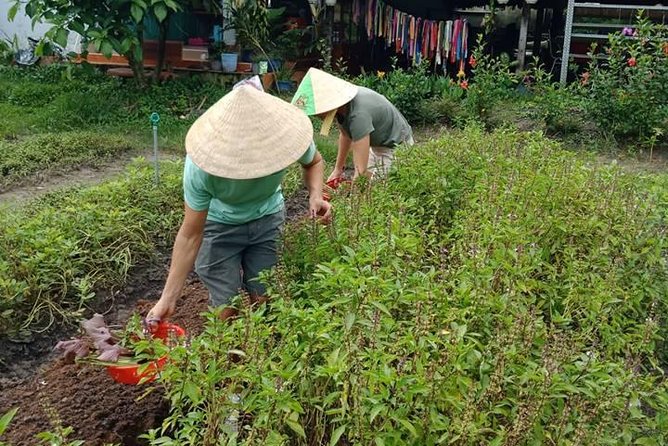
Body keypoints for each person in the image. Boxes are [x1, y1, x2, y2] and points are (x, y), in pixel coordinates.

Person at [147, 84, 332, 324]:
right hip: (219, 227)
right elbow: (191, 234)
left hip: (267, 219)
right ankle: (227, 353)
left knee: (265, 298)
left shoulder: (286, 138)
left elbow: (314, 162)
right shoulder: (201, 167)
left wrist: (316, 194)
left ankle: (257, 351)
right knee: (226, 307)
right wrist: (168, 298)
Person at [291, 67, 414, 182]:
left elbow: (360, 172)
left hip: (397, 147)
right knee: (368, 180)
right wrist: (337, 169)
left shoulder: (358, 116)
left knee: (376, 189)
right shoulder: (343, 107)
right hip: (378, 145)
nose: (316, 116)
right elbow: (345, 135)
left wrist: (355, 192)